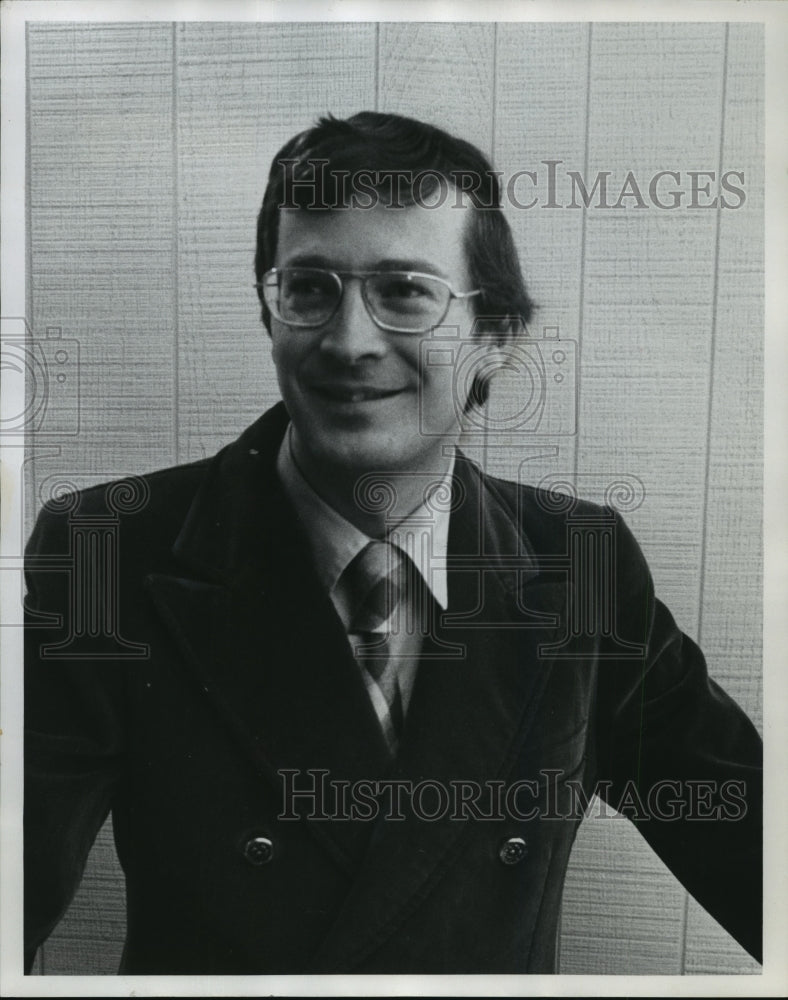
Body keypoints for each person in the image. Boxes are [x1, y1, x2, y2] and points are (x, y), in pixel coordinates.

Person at [23, 111, 762, 975]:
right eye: (309, 289)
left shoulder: (579, 564)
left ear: (494, 337)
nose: (347, 341)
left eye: (405, 291)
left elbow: (749, 835)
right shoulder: (110, 553)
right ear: (271, 316)